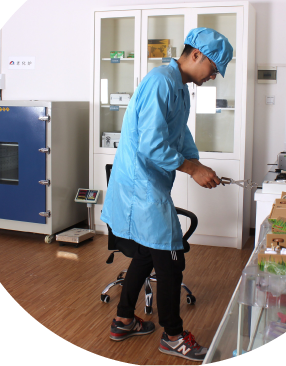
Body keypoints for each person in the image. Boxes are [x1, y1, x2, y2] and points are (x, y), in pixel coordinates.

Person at [101, 27, 233, 362]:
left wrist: (198, 164)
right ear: (196, 55)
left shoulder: (180, 87)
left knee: (147, 254)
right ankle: (173, 336)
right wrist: (192, 169)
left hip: (149, 183)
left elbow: (180, 132)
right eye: (214, 68)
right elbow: (151, 145)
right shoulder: (161, 82)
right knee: (171, 259)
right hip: (141, 187)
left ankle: (123, 320)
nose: (214, 76)